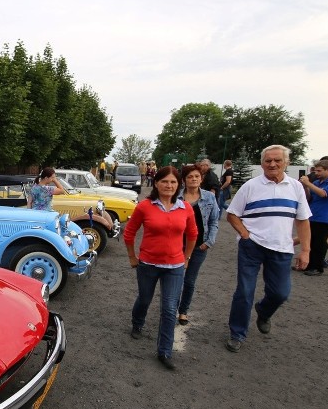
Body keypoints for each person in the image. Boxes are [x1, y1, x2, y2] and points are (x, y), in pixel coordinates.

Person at [226, 145, 311, 353]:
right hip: (252, 247)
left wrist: (306, 250)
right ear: (262, 162)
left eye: (277, 160)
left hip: (282, 247)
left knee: (281, 293)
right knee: (244, 291)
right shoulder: (250, 186)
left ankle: (263, 311)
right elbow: (232, 214)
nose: (272, 164)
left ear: (286, 163)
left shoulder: (296, 188)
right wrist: (245, 235)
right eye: (267, 160)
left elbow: (303, 220)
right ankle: (237, 333)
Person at [124, 166, 197, 370]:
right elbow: (129, 233)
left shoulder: (185, 208)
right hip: (147, 264)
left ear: (178, 185)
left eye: (173, 182)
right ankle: (137, 323)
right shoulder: (145, 207)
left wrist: (186, 257)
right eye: (165, 181)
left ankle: (164, 352)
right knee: (144, 299)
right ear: (156, 183)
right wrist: (132, 256)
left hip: (174, 266)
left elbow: (193, 234)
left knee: (169, 308)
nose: (169, 185)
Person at [176, 165, 220, 326]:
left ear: (201, 179)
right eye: (190, 177)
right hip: (178, 245)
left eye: (196, 176)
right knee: (176, 279)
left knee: (190, 281)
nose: (193, 179)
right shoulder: (177, 197)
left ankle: (183, 311)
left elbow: (214, 220)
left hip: (199, 246)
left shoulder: (209, 197)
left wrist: (210, 241)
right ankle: (171, 308)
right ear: (184, 180)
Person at [299, 159, 328, 276]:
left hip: (324, 218)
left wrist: (308, 184)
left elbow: (323, 194)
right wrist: (305, 187)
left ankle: (317, 267)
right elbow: (309, 198)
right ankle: (308, 265)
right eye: (315, 170)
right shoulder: (317, 183)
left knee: (319, 244)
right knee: (310, 242)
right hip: (313, 216)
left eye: (319, 171)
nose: (316, 173)